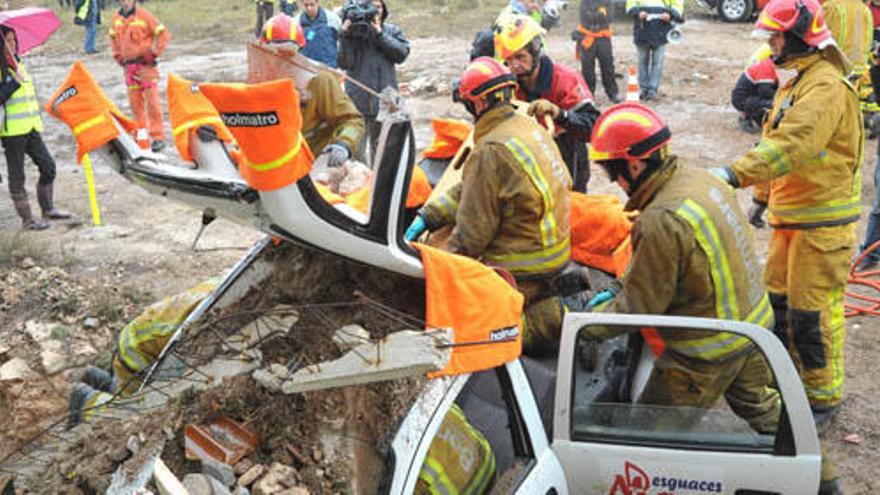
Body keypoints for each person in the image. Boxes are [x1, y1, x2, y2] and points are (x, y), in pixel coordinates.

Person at [712, 1, 860, 490]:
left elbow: (792, 143)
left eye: (776, 37)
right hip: (791, 215)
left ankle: (821, 398)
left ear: (799, 37)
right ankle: (790, 384)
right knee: (777, 305)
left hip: (822, 221)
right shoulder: (797, 80)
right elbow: (776, 136)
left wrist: (735, 174)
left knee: (811, 314)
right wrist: (761, 196)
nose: (771, 45)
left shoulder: (824, 87)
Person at [584, 102, 780, 436]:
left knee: (648, 435)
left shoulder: (661, 218)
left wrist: (583, 327)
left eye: (611, 171)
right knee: (768, 413)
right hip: (752, 327)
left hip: (705, 353)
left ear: (633, 165)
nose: (613, 182)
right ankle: (823, 481)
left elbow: (641, 306)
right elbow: (675, 262)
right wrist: (617, 287)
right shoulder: (702, 181)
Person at [405, 57, 572, 354]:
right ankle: (554, 291)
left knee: (484, 335)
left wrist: (435, 274)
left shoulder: (490, 150)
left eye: (468, 104)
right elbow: (475, 186)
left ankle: (557, 318)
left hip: (524, 266)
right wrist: (429, 216)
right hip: (553, 249)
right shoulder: (523, 126)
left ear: (479, 103)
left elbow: (471, 236)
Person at [68, 281, 217, 428]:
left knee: (129, 391)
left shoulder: (228, 282)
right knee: (130, 415)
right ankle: (84, 397)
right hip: (138, 350)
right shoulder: (214, 321)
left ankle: (93, 376)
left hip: (142, 334)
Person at [495, 14, 600, 192]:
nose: (514, 65)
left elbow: (593, 126)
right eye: (509, 59)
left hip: (566, 155)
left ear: (536, 50)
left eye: (520, 57)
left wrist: (560, 115)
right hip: (526, 156)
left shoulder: (565, 80)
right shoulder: (508, 85)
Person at [254, 14, 364, 167]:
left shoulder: (319, 81)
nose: (280, 58)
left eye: (286, 52)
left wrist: (343, 144)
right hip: (273, 165)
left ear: (299, 49)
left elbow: (352, 120)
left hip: (312, 166)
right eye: (273, 52)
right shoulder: (260, 82)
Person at [0, 26, 70, 230]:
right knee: (17, 176)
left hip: (31, 127)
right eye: (7, 41)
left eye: (14, 40)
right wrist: (13, 82)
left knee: (48, 166)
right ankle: (28, 220)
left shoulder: (19, 64)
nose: (11, 45)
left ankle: (47, 209)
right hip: (12, 132)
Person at [337, 0, 409, 163]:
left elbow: (401, 54)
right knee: (356, 152)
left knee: (382, 152)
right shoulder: (355, 34)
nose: (375, 11)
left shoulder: (391, 31)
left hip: (385, 100)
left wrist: (380, 35)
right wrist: (345, 36)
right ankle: (362, 184)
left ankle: (379, 185)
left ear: (384, 10)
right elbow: (344, 63)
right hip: (357, 100)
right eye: (371, 7)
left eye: (378, 7)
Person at [109, 0, 171, 153]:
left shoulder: (144, 16)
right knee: (135, 105)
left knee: (152, 103)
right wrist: (117, 56)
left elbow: (163, 34)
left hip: (146, 67)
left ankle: (158, 137)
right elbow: (113, 39)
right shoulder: (116, 20)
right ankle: (141, 137)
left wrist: (154, 53)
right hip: (129, 68)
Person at [625, 0, 684, 100]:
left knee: (658, 62)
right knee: (643, 61)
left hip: (661, 29)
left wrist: (670, 15)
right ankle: (644, 89)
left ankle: (652, 90)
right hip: (642, 29)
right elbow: (630, 5)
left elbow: (678, 5)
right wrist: (638, 13)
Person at [573, 0, 620, 103]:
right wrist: (599, 15)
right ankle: (588, 93)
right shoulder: (585, 2)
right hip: (587, 37)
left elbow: (608, 18)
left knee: (608, 66)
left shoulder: (608, 2)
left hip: (603, 38)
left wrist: (594, 15)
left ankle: (612, 92)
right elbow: (585, 18)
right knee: (587, 68)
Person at [731, 55, 778, 134]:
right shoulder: (768, 67)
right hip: (742, 100)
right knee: (775, 102)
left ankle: (759, 117)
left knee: (778, 101)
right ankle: (746, 116)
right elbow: (766, 92)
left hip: (753, 95)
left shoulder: (770, 64)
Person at [295, 0, 342, 68]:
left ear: (318, 2)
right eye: (306, 5)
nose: (309, 8)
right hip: (307, 69)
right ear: (301, 4)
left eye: (312, 4)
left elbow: (342, 41)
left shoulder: (332, 19)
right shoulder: (296, 22)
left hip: (329, 68)